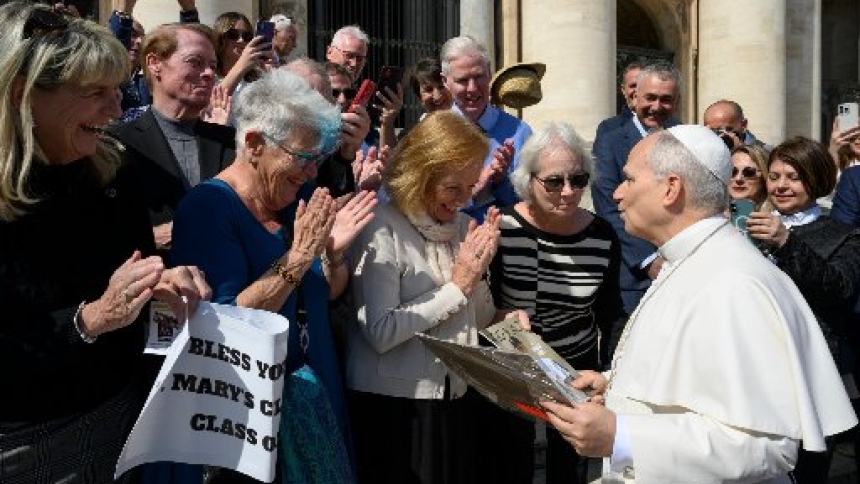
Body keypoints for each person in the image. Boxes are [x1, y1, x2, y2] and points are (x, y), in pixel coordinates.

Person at [541, 124, 856, 483]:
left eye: (629, 179)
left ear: (672, 188)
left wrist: (621, 435)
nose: (616, 193)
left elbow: (762, 449)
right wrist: (614, 385)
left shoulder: (734, 283)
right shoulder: (689, 260)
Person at [0, 3, 210, 482]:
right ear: (23, 95)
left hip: (121, 415)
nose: (117, 109)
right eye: (95, 93)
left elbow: (130, 268)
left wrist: (160, 280)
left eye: (117, 89)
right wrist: (89, 319)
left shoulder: (112, 170)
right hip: (31, 442)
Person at [171, 68, 375, 482]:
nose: (312, 173)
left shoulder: (294, 198)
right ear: (254, 144)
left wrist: (331, 256)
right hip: (247, 415)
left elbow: (329, 293)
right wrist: (298, 257)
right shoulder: (208, 207)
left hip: (313, 396)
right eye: (303, 157)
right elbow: (225, 325)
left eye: (318, 159)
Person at [346, 110, 528, 484]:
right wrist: (457, 287)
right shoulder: (380, 227)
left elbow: (474, 321)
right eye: (452, 188)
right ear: (421, 174)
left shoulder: (463, 226)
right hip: (396, 411)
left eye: (469, 186)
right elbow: (380, 332)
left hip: (454, 400)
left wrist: (499, 310)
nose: (463, 200)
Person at [477, 123, 625, 484]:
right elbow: (480, 302)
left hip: (576, 370)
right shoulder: (502, 228)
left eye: (578, 179)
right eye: (554, 182)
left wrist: (612, 374)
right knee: (508, 462)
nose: (569, 192)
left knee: (569, 466)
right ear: (528, 181)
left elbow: (610, 312)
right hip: (512, 367)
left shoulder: (602, 234)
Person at [745, 137, 860, 483]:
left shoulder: (843, 234)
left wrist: (785, 243)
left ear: (816, 179)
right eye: (775, 176)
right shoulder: (749, 227)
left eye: (793, 177)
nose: (781, 186)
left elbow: (837, 288)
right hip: (756, 368)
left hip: (813, 375)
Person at [109, 22, 236, 253]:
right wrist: (149, 237)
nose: (209, 74)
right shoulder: (117, 144)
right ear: (155, 64)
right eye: (196, 62)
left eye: (213, 66)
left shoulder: (231, 144)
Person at [591, 62, 681, 318]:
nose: (656, 107)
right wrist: (649, 260)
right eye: (650, 98)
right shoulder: (610, 142)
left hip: (680, 270)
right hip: (631, 279)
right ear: (634, 97)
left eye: (666, 99)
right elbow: (609, 207)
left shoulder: (686, 139)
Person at [441, 35, 532, 222]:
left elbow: (533, 204)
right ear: (445, 81)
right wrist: (472, 194)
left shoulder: (520, 132)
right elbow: (422, 205)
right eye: (462, 80)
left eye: (478, 77)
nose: (472, 88)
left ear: (490, 73)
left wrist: (501, 182)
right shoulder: (432, 133)